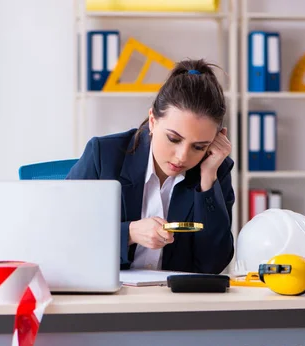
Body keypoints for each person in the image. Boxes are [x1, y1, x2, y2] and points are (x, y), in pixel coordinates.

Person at [66, 59, 234, 274]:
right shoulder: (104, 154)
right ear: (153, 121)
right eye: (173, 139)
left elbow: (213, 264)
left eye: (199, 147)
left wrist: (208, 179)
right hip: (108, 296)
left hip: (173, 301)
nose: (182, 156)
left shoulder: (215, 168)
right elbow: (65, 233)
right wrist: (129, 233)